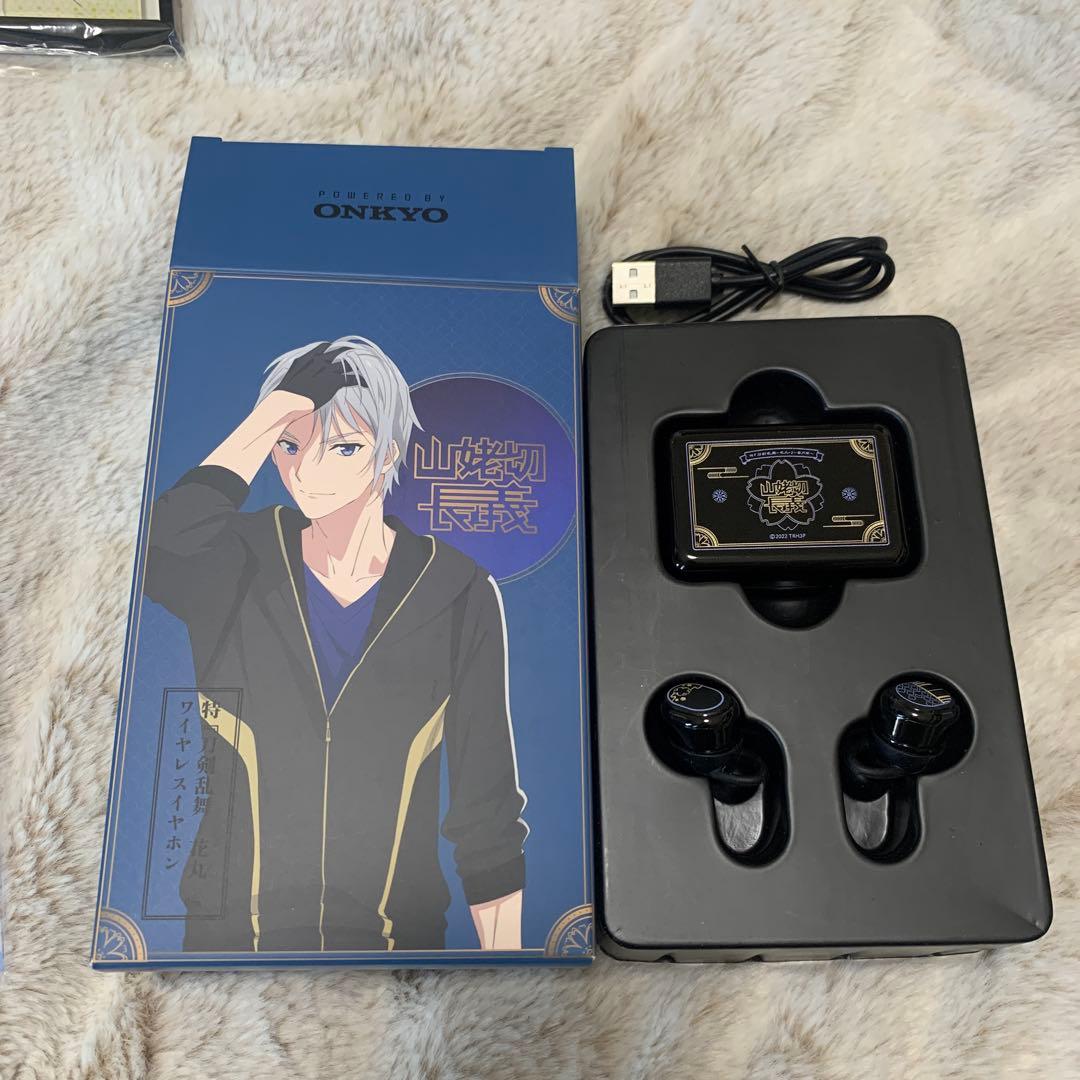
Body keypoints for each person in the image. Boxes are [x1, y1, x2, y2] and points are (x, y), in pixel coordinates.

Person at [145, 335, 527, 953]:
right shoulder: (232, 561)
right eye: (289, 445)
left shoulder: (456, 591)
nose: (307, 470)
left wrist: (504, 973)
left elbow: (488, 812)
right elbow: (161, 547)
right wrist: (272, 413)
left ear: (388, 454)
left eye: (344, 446)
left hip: (399, 949)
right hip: (228, 947)